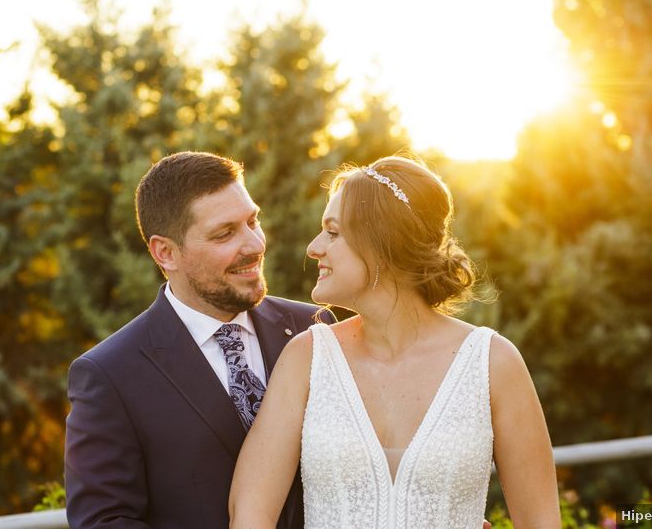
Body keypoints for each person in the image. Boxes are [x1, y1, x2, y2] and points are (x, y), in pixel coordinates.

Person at [228, 157, 560, 528]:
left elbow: (541, 522)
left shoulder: (493, 363)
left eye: (333, 232)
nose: (314, 247)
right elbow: (249, 515)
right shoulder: (306, 358)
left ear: (382, 244)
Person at [64, 151, 334, 529]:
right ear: (166, 252)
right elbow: (105, 522)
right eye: (225, 233)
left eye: (253, 221)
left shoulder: (315, 327)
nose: (254, 244)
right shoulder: (110, 375)